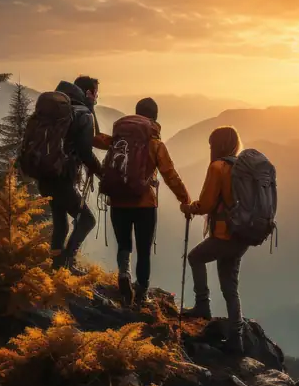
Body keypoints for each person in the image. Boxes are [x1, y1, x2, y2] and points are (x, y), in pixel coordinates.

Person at [100, 98, 190, 306]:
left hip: (118, 200)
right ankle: (141, 293)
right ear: (155, 118)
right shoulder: (155, 143)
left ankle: (124, 273)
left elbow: (100, 143)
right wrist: (185, 199)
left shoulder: (119, 139)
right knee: (143, 249)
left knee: (124, 244)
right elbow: (170, 174)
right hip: (144, 203)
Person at [181, 126, 249, 354]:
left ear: (217, 146)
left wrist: (191, 208)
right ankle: (236, 339)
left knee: (195, 257)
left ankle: (202, 305)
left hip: (224, 234)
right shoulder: (244, 167)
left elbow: (208, 203)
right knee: (230, 286)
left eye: (211, 145)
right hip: (243, 235)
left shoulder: (219, 167)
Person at [38, 76, 105, 269]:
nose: (97, 98)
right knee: (87, 220)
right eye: (96, 94)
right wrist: (103, 175)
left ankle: (56, 268)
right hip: (62, 178)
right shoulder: (83, 114)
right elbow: (86, 152)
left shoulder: (56, 112)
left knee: (61, 224)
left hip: (44, 174)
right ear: (88, 93)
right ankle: (67, 262)